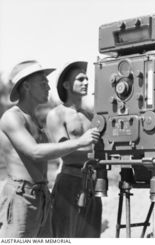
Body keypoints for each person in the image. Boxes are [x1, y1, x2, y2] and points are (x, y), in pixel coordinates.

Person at [0, 60, 100, 238]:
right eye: (43, 83)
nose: (48, 87)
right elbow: (35, 152)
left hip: (42, 197)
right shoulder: (11, 117)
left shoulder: (34, 120)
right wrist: (80, 142)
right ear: (27, 86)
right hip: (22, 196)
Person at [46, 61, 102, 238]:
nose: (86, 82)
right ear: (66, 85)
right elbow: (64, 152)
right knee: (64, 237)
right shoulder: (57, 114)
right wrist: (92, 149)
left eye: (87, 79)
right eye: (80, 79)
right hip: (70, 181)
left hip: (92, 185)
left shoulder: (91, 116)